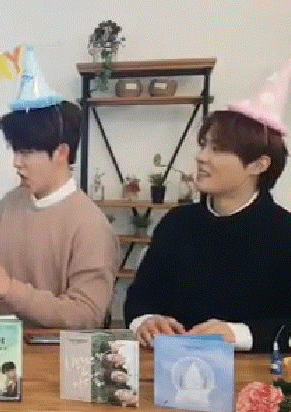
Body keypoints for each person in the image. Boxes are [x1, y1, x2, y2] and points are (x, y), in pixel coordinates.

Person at [124, 58, 291, 352]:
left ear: (258, 165)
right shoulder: (177, 223)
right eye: (204, 145)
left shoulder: (284, 233)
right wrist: (146, 321)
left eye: (217, 149)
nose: (201, 157)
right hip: (171, 369)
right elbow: (139, 299)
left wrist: (238, 333)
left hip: (257, 376)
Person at [0, 45, 118, 329]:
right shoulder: (10, 204)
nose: (16, 163)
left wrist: (9, 288)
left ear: (61, 152)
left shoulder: (90, 225)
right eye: (15, 151)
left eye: (26, 152)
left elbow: (86, 315)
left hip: (53, 354)